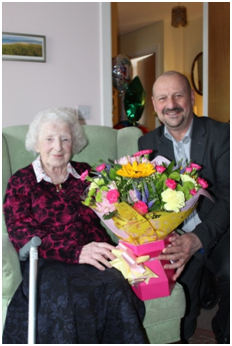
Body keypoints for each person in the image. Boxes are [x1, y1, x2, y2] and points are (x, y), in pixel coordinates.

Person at [3, 107, 146, 344]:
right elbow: (21, 233)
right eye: (49, 139)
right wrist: (76, 252)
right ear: (37, 144)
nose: (57, 147)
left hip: (95, 255)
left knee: (116, 287)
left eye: (65, 139)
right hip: (48, 262)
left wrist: (131, 242)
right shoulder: (21, 181)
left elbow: (115, 212)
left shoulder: (85, 173)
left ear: (74, 143)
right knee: (63, 298)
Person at [138, 71, 230, 344]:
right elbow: (148, 199)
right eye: (163, 98)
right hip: (174, 236)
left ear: (191, 98)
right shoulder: (147, 144)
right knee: (181, 312)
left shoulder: (222, 134)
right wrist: (168, 237)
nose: (171, 104)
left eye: (178, 95)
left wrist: (198, 237)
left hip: (219, 230)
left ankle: (224, 331)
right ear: (155, 105)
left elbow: (229, 195)